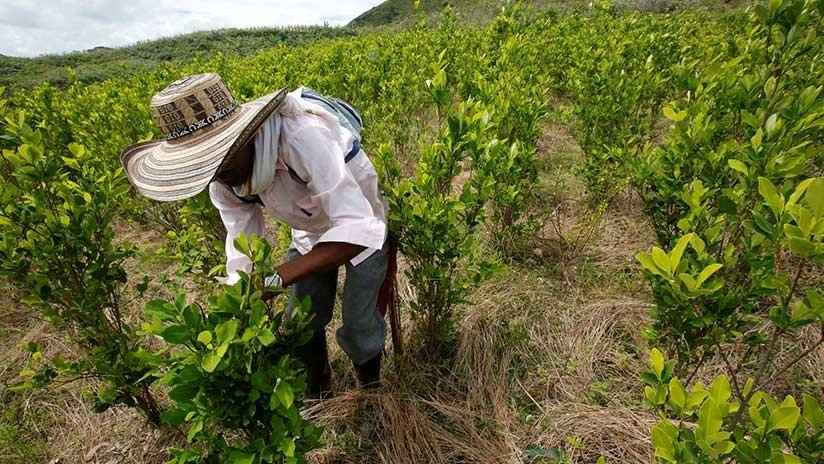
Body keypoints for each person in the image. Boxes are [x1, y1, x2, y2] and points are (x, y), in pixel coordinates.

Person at [120, 73, 388, 395]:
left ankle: (372, 392)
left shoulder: (302, 136)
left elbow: (356, 229)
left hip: (364, 221)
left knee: (359, 324)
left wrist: (274, 281)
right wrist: (240, 302)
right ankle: (319, 396)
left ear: (246, 135)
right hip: (309, 232)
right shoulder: (223, 182)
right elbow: (242, 253)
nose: (218, 172)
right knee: (301, 325)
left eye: (221, 155)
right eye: (206, 163)